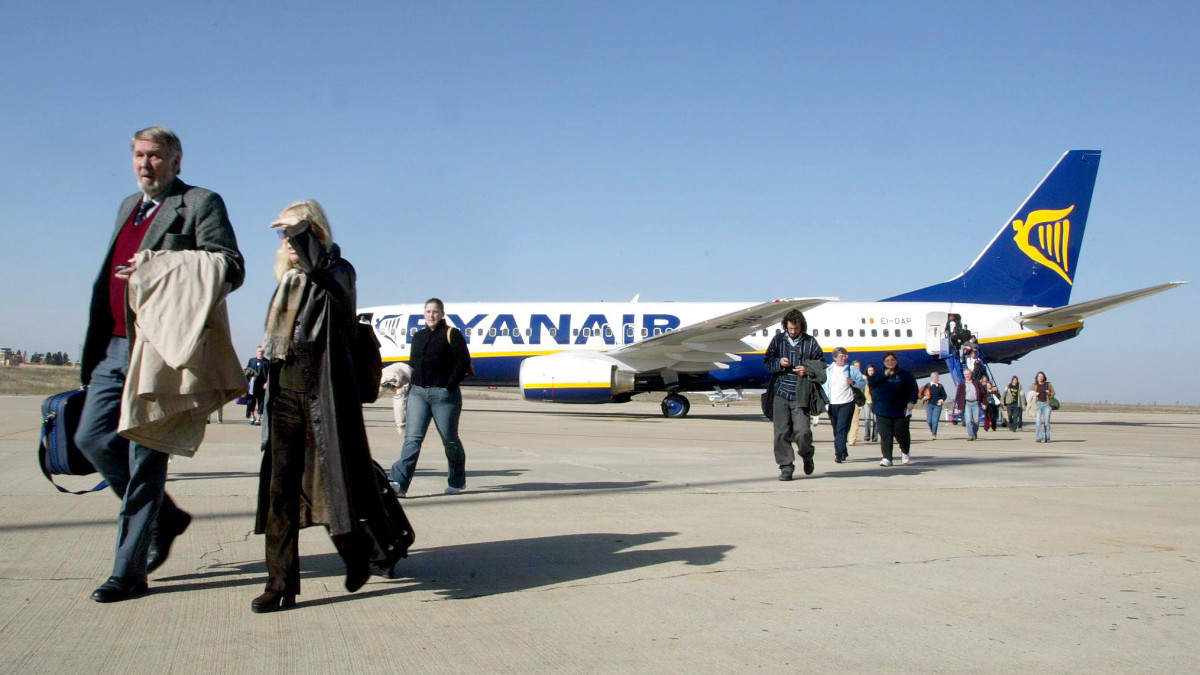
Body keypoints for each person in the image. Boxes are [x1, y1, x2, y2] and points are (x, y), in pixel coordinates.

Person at [74, 126, 244, 603]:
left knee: (145, 453)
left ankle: (128, 572)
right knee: (90, 437)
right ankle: (165, 518)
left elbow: (230, 265)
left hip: (158, 350)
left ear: (176, 161)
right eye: (138, 155)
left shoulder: (201, 203)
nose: (145, 163)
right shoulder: (129, 206)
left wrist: (160, 265)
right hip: (113, 345)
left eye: (154, 156)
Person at [253, 200, 397, 613]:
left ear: (316, 232)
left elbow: (327, 280)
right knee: (280, 492)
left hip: (324, 395)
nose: (288, 242)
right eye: (284, 235)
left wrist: (300, 230)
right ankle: (279, 583)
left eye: (296, 232)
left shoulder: (339, 271)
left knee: (338, 487)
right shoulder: (287, 282)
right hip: (284, 395)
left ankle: (360, 552)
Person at [388, 298, 473, 497]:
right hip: (418, 393)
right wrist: (401, 381)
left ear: (442, 313)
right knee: (412, 439)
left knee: (449, 440)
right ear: (424, 314)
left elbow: (463, 362)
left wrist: (449, 386)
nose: (431, 315)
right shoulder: (418, 337)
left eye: (435, 312)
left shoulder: (452, 334)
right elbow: (413, 364)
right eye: (428, 312)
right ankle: (399, 483)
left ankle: (457, 481)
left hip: (443, 395)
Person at [763, 309, 825, 480]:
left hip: (801, 392)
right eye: (790, 328)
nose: (792, 331)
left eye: (796, 329)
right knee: (781, 433)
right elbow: (767, 362)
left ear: (801, 327)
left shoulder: (810, 342)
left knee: (802, 432)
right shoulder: (778, 341)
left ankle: (807, 454)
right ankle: (786, 466)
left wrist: (807, 369)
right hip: (780, 392)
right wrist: (779, 362)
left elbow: (821, 364)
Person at [867, 352, 919, 466]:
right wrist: (885, 375)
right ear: (884, 363)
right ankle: (887, 458)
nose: (890, 362)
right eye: (887, 361)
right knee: (885, 435)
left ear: (896, 361)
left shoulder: (905, 375)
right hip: (882, 410)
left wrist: (911, 401)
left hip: (900, 410)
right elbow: (871, 382)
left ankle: (905, 451)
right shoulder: (878, 374)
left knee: (901, 433)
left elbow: (913, 389)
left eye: (892, 360)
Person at [823, 348, 865, 463]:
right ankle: (843, 450)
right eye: (841, 356)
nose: (844, 358)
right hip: (832, 404)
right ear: (835, 357)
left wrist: (854, 382)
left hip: (847, 403)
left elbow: (862, 383)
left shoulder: (852, 369)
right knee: (836, 430)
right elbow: (823, 385)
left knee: (842, 429)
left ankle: (839, 454)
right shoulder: (828, 370)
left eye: (845, 356)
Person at [381, 361, 414, 436]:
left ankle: (400, 424)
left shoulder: (398, 366)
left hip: (386, 374)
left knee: (373, 394)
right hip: (393, 377)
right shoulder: (410, 371)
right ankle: (401, 424)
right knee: (399, 396)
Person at [954, 369, 986, 441]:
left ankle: (974, 433)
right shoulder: (962, 384)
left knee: (976, 421)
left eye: (968, 374)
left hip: (975, 403)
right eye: (965, 374)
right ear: (964, 375)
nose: (967, 376)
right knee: (968, 421)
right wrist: (959, 407)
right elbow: (959, 396)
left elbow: (983, 393)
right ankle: (970, 435)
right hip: (967, 404)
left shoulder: (977, 383)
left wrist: (984, 403)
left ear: (971, 374)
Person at [245, 346, 269, 425]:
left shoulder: (267, 362)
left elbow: (269, 374)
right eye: (259, 351)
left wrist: (267, 383)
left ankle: (258, 418)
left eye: (262, 351)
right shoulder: (251, 361)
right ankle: (252, 416)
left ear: (264, 353)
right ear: (256, 352)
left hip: (262, 384)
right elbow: (247, 371)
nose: (260, 353)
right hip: (252, 384)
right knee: (251, 401)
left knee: (261, 402)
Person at [920, 372, 947, 439]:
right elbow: (923, 393)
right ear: (932, 378)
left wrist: (941, 400)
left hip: (937, 406)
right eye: (935, 377)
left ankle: (934, 434)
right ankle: (933, 431)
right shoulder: (928, 385)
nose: (937, 379)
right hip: (929, 405)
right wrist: (924, 397)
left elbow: (944, 395)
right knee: (929, 421)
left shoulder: (940, 386)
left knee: (935, 421)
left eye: (938, 377)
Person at [1032, 371, 1056, 443]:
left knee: (1046, 422)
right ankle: (1039, 437)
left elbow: (1053, 393)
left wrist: (1049, 393)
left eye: (1042, 376)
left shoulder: (1048, 384)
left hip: (1046, 405)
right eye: (1039, 376)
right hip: (1038, 404)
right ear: (1037, 378)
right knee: (1038, 421)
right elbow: (1031, 394)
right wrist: (1034, 395)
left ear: (1044, 377)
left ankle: (1047, 438)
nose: (1040, 378)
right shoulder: (1034, 385)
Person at [847, 359, 864, 447]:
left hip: (856, 400)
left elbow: (864, 387)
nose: (857, 367)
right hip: (844, 400)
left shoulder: (861, 377)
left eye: (858, 366)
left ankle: (852, 439)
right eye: (855, 366)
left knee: (855, 420)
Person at [862, 364, 879, 443]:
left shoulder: (878, 379)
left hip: (876, 401)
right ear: (867, 371)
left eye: (872, 370)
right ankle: (867, 435)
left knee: (876, 420)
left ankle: (875, 436)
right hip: (867, 401)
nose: (871, 372)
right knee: (867, 419)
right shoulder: (864, 379)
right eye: (869, 370)